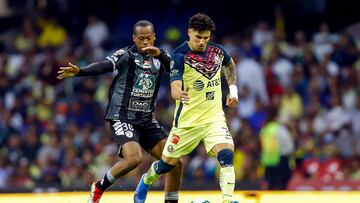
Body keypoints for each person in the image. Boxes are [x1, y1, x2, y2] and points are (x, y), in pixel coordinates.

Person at [57, 20, 182, 203]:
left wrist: (162, 56)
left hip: (146, 119)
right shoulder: (125, 54)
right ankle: (99, 186)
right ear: (134, 38)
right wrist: (80, 71)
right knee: (134, 158)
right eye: (141, 39)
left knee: (175, 163)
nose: (146, 42)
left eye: (149, 38)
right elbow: (104, 65)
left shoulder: (161, 56)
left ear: (154, 37)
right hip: (123, 117)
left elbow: (178, 69)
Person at [134, 13, 239, 203]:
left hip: (213, 120)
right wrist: (177, 92)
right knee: (166, 165)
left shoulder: (218, 51)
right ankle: (146, 180)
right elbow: (175, 83)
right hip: (187, 123)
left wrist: (233, 90)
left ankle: (227, 199)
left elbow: (229, 65)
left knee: (227, 156)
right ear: (189, 32)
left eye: (206, 38)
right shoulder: (180, 55)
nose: (202, 42)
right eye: (198, 37)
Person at [260, 107, 294, 190]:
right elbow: (290, 147)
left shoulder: (264, 129)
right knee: (280, 188)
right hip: (280, 161)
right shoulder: (280, 129)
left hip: (268, 161)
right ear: (276, 117)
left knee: (271, 187)